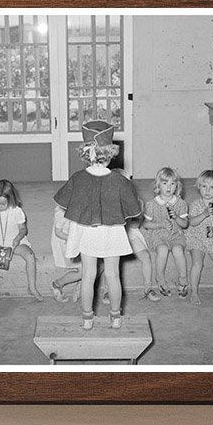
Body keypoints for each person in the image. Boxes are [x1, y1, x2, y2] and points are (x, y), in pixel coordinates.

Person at [53, 121, 142, 330]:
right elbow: (134, 211)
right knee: (113, 275)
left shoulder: (78, 178)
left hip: (87, 233)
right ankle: (115, 316)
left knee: (88, 275)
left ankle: (87, 318)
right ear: (111, 154)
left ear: (86, 154)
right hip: (112, 232)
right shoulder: (121, 181)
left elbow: (63, 203)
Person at [0, 179, 42, 303]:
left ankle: (32, 287)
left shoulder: (17, 211)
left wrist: (18, 238)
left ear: (11, 199)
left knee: (30, 256)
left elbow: (23, 229)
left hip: (15, 241)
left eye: (3, 204)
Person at [141, 167, 190, 298]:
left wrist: (177, 218)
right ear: (158, 185)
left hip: (176, 234)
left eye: (172, 184)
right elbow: (146, 224)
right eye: (164, 183)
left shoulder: (180, 203)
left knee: (178, 250)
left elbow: (185, 224)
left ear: (177, 186)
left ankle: (183, 280)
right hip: (158, 235)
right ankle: (160, 280)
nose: (169, 187)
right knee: (162, 250)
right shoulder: (152, 204)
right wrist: (160, 224)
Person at [185, 169, 213, 306]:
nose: (207, 190)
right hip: (196, 238)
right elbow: (191, 222)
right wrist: (204, 214)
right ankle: (193, 292)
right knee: (197, 263)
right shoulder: (195, 204)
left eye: (211, 187)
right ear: (199, 186)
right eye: (204, 186)